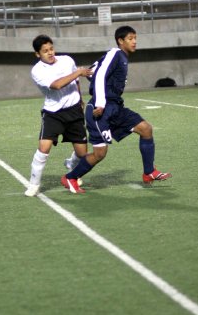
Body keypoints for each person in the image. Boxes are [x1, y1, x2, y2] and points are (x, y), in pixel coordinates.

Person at [61, 25, 172, 194]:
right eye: (130, 39)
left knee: (146, 129)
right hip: (101, 110)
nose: (134, 42)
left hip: (116, 107)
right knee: (100, 154)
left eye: (135, 38)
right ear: (120, 41)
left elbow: (92, 72)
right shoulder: (115, 54)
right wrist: (100, 102)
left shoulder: (120, 57)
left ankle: (149, 172)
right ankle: (70, 177)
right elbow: (98, 76)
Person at [25, 35, 93, 196]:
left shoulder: (67, 60)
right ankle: (34, 184)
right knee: (44, 148)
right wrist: (78, 73)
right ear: (37, 54)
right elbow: (56, 85)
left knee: (82, 153)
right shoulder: (37, 70)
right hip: (53, 114)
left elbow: (75, 81)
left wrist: (80, 98)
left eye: (51, 49)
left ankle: (71, 165)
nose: (50, 53)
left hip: (74, 111)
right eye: (45, 51)